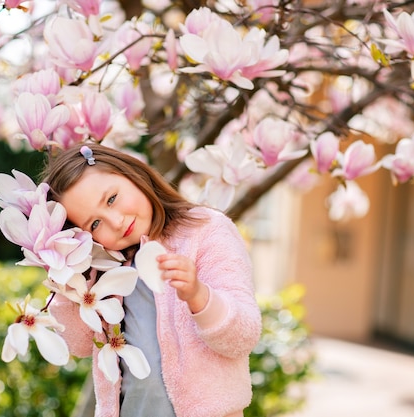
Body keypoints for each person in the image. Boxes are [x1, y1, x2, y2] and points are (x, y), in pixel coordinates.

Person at [42, 142, 262, 417]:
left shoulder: (206, 230)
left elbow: (242, 337)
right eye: (95, 224)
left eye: (111, 199)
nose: (117, 221)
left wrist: (199, 296)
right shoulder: (101, 269)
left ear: (133, 174)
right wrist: (64, 274)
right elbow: (80, 345)